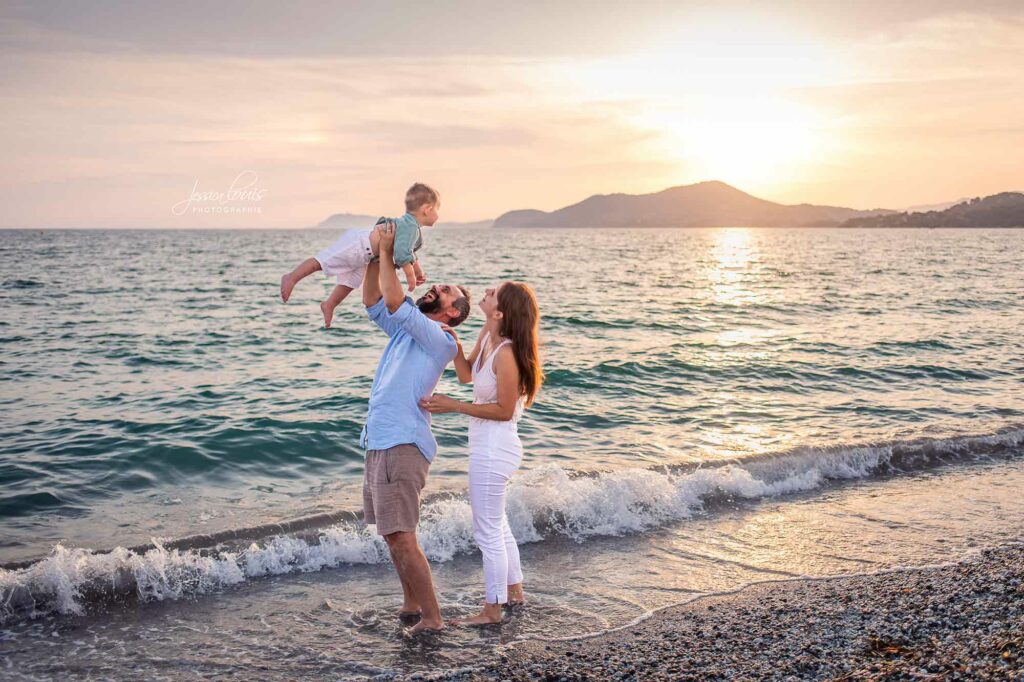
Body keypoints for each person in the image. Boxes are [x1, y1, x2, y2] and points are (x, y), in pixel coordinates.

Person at [359, 221, 471, 634]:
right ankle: (411, 604)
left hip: (402, 443)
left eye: (445, 291)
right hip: (380, 441)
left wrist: (390, 250)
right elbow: (374, 300)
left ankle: (432, 618)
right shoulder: (408, 331)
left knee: (402, 535)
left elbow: (393, 296)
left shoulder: (440, 338)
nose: (436, 287)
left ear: (453, 312)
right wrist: (374, 256)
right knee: (391, 534)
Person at [420, 281, 543, 626]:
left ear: (501, 313)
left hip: (495, 449)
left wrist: (454, 406)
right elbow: (465, 375)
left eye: (493, 294)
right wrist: (456, 345)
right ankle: (514, 592)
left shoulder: (507, 353)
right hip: (487, 447)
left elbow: (504, 410)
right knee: (497, 524)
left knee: (486, 531)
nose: (486, 292)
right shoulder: (488, 334)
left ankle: (492, 610)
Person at [279, 183, 438, 327]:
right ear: (427, 209)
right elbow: (402, 255)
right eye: (437, 210)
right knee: (322, 262)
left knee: (351, 282)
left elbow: (409, 252)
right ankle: (291, 277)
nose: (438, 215)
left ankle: (329, 304)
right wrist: (411, 278)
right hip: (358, 245)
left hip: (365, 255)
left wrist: (418, 271)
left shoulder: (411, 227)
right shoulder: (410, 227)